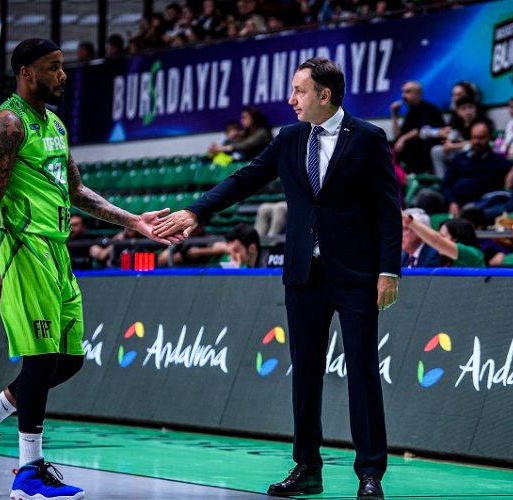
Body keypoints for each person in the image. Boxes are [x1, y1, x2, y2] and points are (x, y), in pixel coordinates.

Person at [154, 57, 400, 499]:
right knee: (305, 373)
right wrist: (196, 211)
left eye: (299, 91)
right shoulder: (289, 138)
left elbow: (387, 209)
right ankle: (307, 467)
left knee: (362, 372)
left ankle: (370, 474)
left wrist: (388, 270)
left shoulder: (367, 137)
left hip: (356, 275)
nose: (291, 100)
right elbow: (244, 179)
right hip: (304, 273)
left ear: (325, 95)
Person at [0, 38, 180, 500]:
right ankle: (29, 473)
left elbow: (76, 191)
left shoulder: (53, 124)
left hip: (56, 252)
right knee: (41, 359)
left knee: (69, 359)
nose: (63, 75)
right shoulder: (5, 125)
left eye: (62, 66)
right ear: (26, 73)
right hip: (22, 249)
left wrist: (133, 221)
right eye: (53, 67)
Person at [440, 121, 512, 217]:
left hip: (479, 204)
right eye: (474, 138)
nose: (476, 142)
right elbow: (446, 183)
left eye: (481, 138)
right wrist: (452, 202)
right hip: (453, 201)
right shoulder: (460, 158)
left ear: (489, 138)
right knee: (426, 196)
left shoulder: (498, 161)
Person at [390, 80, 445, 174]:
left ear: (418, 93)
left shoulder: (429, 109)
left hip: (425, 151)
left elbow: (422, 130)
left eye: (408, 92)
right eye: (403, 92)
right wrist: (395, 115)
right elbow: (397, 136)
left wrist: (403, 138)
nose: (403, 96)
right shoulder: (411, 112)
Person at [403, 215, 485, 267]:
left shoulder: (472, 254)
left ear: (455, 238)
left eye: (443, 236)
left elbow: (437, 241)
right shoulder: (444, 259)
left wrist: (405, 218)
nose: (440, 239)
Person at [208, 106, 273, 161]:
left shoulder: (262, 131)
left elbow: (245, 145)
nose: (241, 121)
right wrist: (219, 147)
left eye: (244, 117)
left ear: (253, 117)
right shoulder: (247, 132)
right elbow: (237, 143)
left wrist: (222, 148)